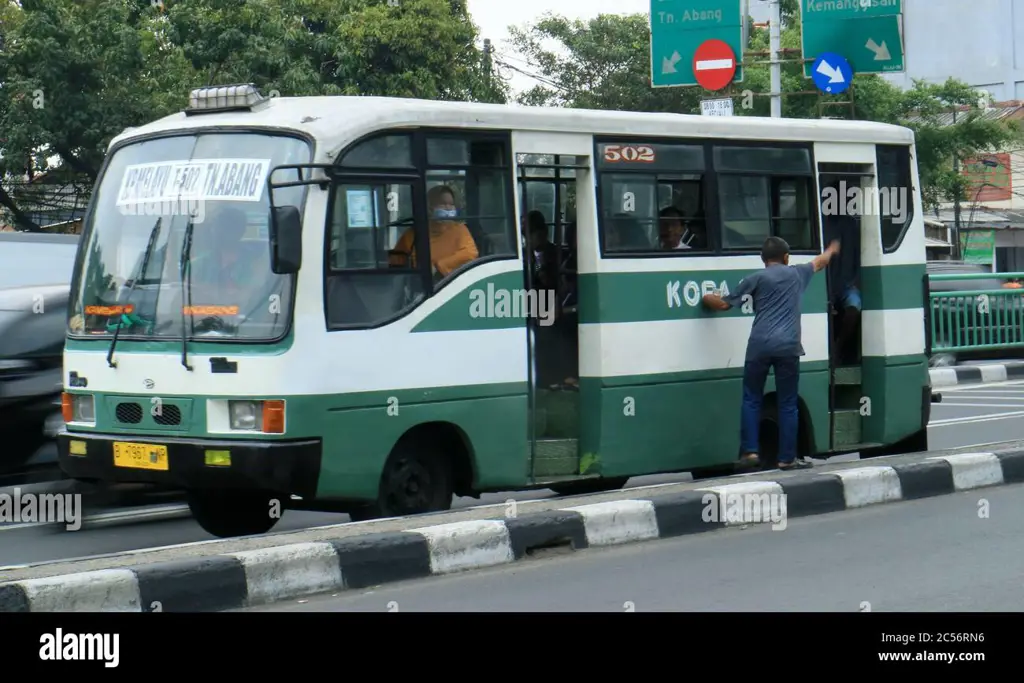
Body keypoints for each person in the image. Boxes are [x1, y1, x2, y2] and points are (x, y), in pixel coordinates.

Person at [702, 236, 841, 472]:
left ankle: (750, 451)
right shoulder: (797, 274)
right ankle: (787, 458)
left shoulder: (755, 278)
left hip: (759, 347)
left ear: (763, 259)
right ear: (786, 257)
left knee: (751, 398)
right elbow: (820, 262)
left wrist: (706, 298)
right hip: (788, 347)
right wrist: (831, 250)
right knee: (787, 403)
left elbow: (724, 304)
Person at [390, 185, 478, 278]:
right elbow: (396, 261)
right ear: (430, 207)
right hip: (421, 284)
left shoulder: (460, 230)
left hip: (453, 283)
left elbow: (470, 253)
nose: (448, 208)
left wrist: (439, 266)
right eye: (443, 204)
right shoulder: (414, 234)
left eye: (451, 204)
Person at [821, 178, 862, 363]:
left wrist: (856, 279)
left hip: (847, 283)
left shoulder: (853, 224)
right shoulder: (822, 224)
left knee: (853, 308)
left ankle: (838, 346)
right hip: (825, 282)